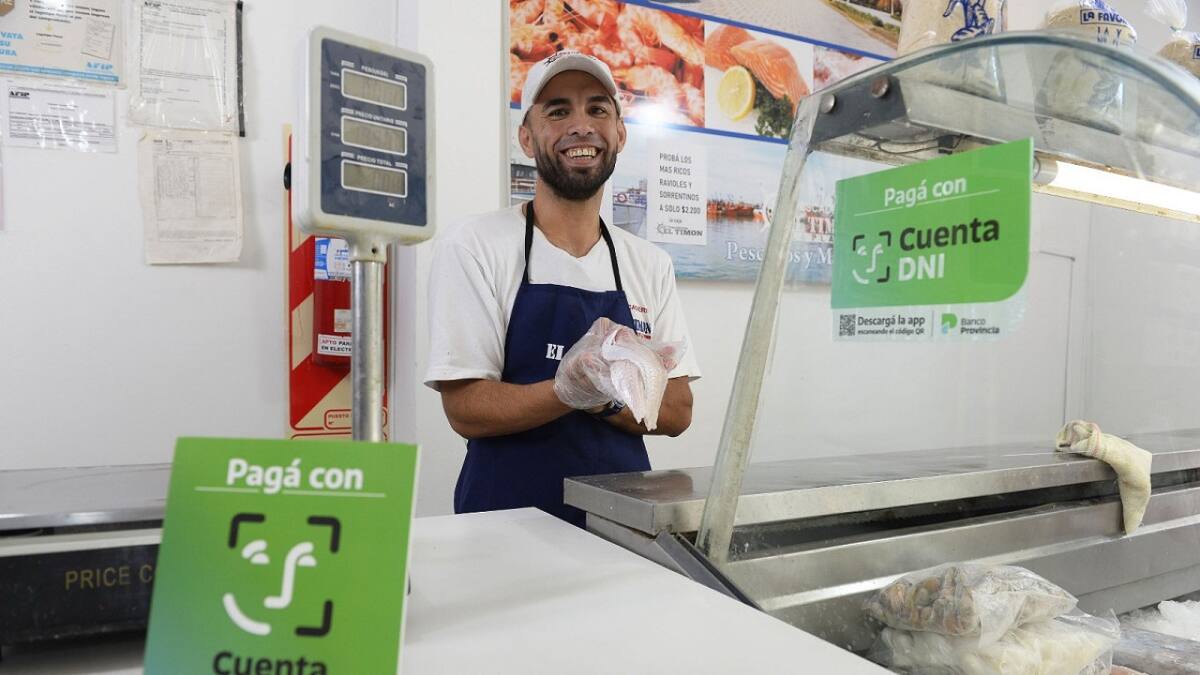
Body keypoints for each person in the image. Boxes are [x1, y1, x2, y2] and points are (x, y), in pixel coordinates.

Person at [424, 51, 701, 527]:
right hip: (502, 526)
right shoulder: (475, 245)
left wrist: (602, 397)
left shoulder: (649, 264)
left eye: (598, 109)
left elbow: (676, 411)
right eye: (557, 111)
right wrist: (565, 389)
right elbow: (466, 407)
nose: (581, 126)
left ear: (620, 133)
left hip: (623, 529)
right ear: (527, 138)